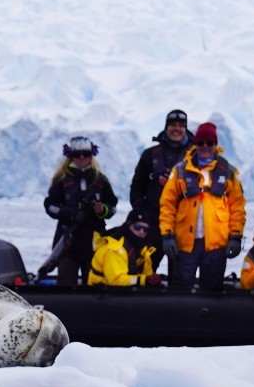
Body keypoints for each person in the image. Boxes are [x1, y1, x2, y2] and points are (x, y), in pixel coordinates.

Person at [158, 121, 245, 292]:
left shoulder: (228, 172)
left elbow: (237, 207)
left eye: (209, 143)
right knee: (180, 288)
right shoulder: (180, 171)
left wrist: (236, 236)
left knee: (212, 290)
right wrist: (167, 235)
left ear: (215, 144)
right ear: (195, 144)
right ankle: (181, 318)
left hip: (216, 244)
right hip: (184, 243)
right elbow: (167, 205)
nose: (205, 147)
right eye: (200, 143)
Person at [40, 135, 116, 286]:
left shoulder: (100, 179)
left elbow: (112, 207)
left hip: (95, 243)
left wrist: (102, 210)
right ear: (70, 156)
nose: (82, 157)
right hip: (68, 241)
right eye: (77, 154)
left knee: (95, 284)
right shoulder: (61, 179)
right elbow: (50, 206)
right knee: (66, 283)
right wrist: (71, 214)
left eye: (85, 154)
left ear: (91, 155)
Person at [128, 109, 192, 257]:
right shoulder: (150, 155)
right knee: (146, 268)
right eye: (173, 125)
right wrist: (141, 211)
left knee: (179, 275)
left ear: (185, 129)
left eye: (181, 125)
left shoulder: (194, 156)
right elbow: (137, 187)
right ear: (166, 127)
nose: (177, 129)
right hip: (152, 223)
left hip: (183, 222)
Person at [88, 211, 161, 286]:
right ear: (128, 225)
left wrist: (152, 279)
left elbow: (147, 275)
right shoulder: (114, 248)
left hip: (125, 292)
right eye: (138, 227)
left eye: (145, 229)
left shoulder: (143, 249)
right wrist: (144, 280)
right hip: (101, 293)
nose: (141, 232)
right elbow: (116, 281)